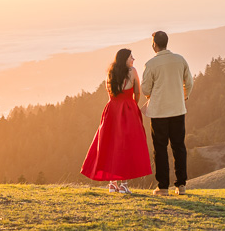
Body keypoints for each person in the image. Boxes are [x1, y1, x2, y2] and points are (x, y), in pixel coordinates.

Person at [80, 48, 152, 192]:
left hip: (111, 109)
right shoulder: (132, 71)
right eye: (131, 57)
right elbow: (137, 92)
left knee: (111, 145)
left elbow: (110, 93)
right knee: (126, 146)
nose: (133, 59)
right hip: (127, 109)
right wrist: (132, 105)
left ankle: (112, 183)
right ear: (125, 59)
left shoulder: (110, 73)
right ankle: (124, 184)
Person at [140, 30, 193, 195]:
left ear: (154, 45)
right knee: (179, 147)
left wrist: (153, 94)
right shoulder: (180, 60)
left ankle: (162, 186)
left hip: (158, 113)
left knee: (160, 148)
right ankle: (181, 185)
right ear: (167, 42)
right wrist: (184, 96)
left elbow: (145, 88)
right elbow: (189, 82)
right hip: (178, 110)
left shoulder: (151, 64)